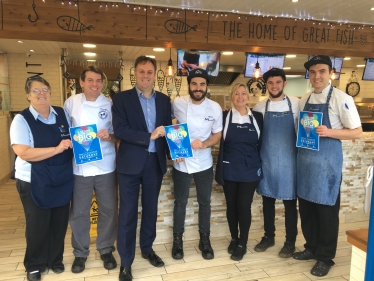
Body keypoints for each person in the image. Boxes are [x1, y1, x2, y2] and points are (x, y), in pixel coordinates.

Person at [293, 55, 362, 277]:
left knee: (326, 213)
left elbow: (357, 132)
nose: (317, 76)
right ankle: (311, 247)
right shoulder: (304, 99)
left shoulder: (341, 98)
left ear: (330, 73)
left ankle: (325, 257)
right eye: (312, 72)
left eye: (321, 71)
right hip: (306, 165)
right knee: (307, 211)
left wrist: (329, 132)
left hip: (327, 168)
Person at [112, 56, 172, 281]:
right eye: (141, 71)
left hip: (154, 163)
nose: (145, 76)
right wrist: (149, 136)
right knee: (127, 213)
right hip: (129, 164)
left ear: (154, 74)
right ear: (134, 73)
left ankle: (147, 248)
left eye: (149, 72)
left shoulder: (165, 101)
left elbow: (166, 132)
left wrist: (175, 153)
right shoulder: (121, 99)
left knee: (150, 210)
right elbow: (120, 130)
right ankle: (126, 262)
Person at [10, 75, 74, 281]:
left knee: (59, 222)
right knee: (37, 224)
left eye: (44, 90)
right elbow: (24, 152)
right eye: (36, 91)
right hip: (33, 180)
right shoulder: (22, 120)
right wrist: (56, 149)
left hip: (61, 177)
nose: (41, 94)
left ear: (50, 92)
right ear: (28, 95)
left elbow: (73, 138)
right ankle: (34, 265)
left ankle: (55, 260)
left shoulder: (62, 113)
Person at [64, 66, 118, 274]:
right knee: (79, 212)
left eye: (99, 81)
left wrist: (108, 136)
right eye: (91, 81)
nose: (95, 85)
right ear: (82, 82)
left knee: (108, 210)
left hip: (105, 165)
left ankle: (106, 248)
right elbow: (64, 132)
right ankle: (80, 252)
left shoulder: (110, 104)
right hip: (80, 167)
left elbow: (117, 136)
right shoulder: (71, 103)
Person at [171, 68, 222, 261]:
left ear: (206, 86)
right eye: (194, 84)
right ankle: (177, 241)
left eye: (202, 84)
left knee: (205, 203)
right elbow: (167, 125)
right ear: (189, 85)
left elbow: (218, 134)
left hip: (204, 163)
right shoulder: (177, 103)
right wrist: (174, 148)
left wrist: (205, 143)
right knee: (180, 203)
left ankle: (205, 240)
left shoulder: (215, 107)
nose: (198, 88)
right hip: (182, 164)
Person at [252, 68, 299, 258]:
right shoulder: (259, 108)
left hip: (290, 163)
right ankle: (269, 236)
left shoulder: (296, 104)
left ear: (284, 83)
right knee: (268, 201)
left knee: (290, 205)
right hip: (268, 161)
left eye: (278, 82)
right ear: (266, 85)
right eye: (270, 83)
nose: (274, 86)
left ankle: (290, 242)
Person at [215, 83, 263, 261]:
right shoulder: (224, 116)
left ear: (248, 97)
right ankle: (234, 238)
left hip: (250, 168)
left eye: (243, 94)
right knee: (231, 205)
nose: (240, 97)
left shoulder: (258, 117)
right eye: (236, 94)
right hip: (229, 167)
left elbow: (262, 142)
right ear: (231, 97)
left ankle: (243, 242)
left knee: (244, 206)